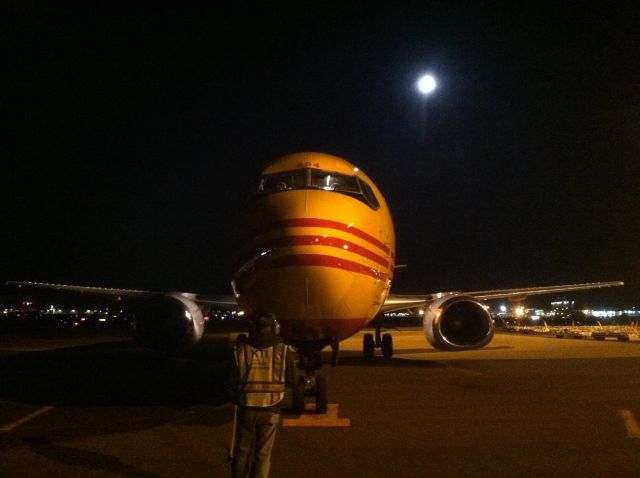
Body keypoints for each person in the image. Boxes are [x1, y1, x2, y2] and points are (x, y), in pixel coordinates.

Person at [227, 312, 291, 478]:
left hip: (246, 406)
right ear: (274, 328)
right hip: (271, 407)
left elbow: (231, 381)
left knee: (241, 452)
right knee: (263, 455)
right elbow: (292, 379)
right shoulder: (282, 349)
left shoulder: (240, 349)